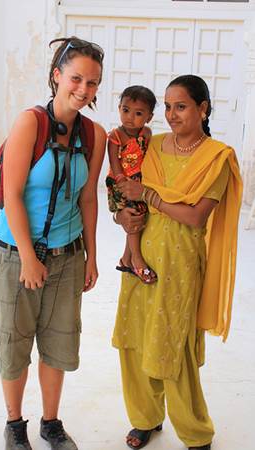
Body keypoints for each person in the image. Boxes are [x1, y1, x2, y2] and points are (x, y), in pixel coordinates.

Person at [0, 36, 106, 450]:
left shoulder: (94, 134)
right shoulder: (30, 123)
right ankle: (15, 424)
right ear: (57, 76)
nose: (84, 90)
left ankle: (50, 423)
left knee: (59, 343)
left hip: (67, 257)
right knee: (14, 344)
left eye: (93, 83)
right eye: (76, 78)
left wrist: (90, 254)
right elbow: (13, 195)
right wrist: (29, 260)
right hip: (15, 256)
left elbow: (87, 197)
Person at [112, 74, 243, 450]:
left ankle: (195, 431)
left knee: (172, 345)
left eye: (180, 106)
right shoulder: (148, 145)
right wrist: (122, 216)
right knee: (134, 341)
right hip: (141, 254)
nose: (171, 114)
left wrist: (148, 194)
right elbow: (123, 192)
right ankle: (145, 419)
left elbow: (196, 216)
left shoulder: (217, 157)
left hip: (181, 263)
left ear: (202, 109)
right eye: (167, 107)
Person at [106, 85, 157, 284]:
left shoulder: (147, 134)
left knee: (140, 217)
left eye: (138, 113)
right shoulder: (115, 136)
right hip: (122, 183)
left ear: (149, 117)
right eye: (125, 110)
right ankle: (137, 259)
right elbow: (114, 161)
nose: (130, 117)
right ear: (119, 108)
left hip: (139, 182)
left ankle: (126, 258)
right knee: (134, 216)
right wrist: (122, 182)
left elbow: (149, 156)